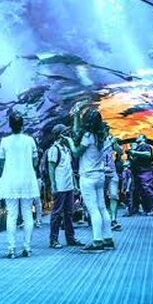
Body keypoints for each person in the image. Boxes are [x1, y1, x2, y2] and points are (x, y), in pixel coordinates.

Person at [66, 108, 114, 252]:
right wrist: (76, 116)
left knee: (93, 210)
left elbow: (76, 153)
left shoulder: (88, 136)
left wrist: (69, 141)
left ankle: (97, 241)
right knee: (102, 207)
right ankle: (108, 239)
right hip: (100, 176)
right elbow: (78, 132)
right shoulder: (102, 136)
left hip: (88, 176)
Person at [0, 111, 40, 258]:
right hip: (27, 180)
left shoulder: (4, 141)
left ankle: (11, 249)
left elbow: (1, 162)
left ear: (10, 125)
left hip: (10, 181)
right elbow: (35, 160)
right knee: (27, 214)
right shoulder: (30, 140)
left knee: (12, 215)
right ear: (22, 125)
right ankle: (27, 248)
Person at [47, 124, 84, 248]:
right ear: (60, 135)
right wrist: (53, 185)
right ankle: (53, 240)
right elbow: (51, 168)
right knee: (57, 213)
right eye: (65, 132)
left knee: (69, 213)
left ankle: (70, 238)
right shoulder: (54, 149)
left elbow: (70, 169)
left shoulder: (66, 150)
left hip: (69, 186)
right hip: (60, 186)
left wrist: (75, 185)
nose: (68, 134)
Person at [128, 135, 153, 216]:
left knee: (147, 189)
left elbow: (148, 154)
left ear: (143, 139)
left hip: (146, 172)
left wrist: (135, 153)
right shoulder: (138, 147)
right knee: (141, 191)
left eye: (139, 136)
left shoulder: (144, 145)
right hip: (138, 172)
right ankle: (146, 209)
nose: (137, 137)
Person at [102, 125, 124, 231]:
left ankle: (113, 219)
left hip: (112, 172)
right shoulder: (96, 140)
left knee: (114, 195)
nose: (106, 132)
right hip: (100, 172)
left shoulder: (110, 139)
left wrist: (114, 144)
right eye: (105, 130)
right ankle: (103, 219)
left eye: (107, 130)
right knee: (101, 197)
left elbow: (120, 151)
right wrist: (109, 143)